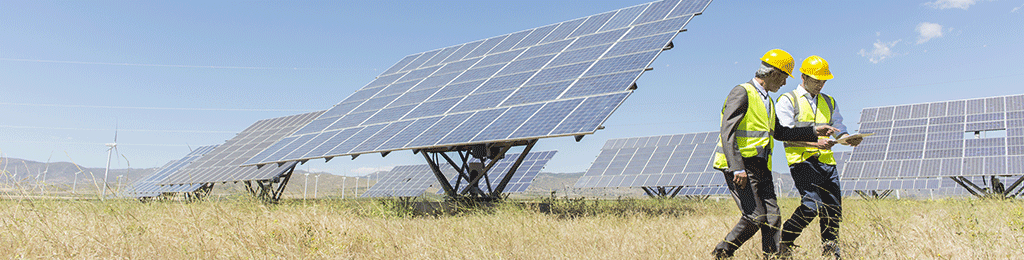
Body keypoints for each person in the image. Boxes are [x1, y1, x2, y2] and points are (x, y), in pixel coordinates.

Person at [711, 49, 838, 259]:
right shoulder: (742, 92)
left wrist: (814, 131)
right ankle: (722, 252)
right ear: (774, 73)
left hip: (761, 167)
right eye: (785, 77)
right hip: (742, 166)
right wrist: (737, 168)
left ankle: (772, 257)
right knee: (755, 216)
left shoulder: (768, 101)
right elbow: (728, 132)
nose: (785, 83)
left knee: (772, 218)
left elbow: (781, 133)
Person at [775, 55, 861, 259]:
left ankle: (831, 253)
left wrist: (847, 138)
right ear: (803, 77)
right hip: (802, 161)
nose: (821, 85)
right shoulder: (788, 100)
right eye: (817, 80)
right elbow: (784, 136)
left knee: (833, 210)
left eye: (824, 81)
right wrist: (815, 143)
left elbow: (839, 126)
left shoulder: (829, 101)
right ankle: (785, 240)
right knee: (811, 205)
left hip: (827, 162)